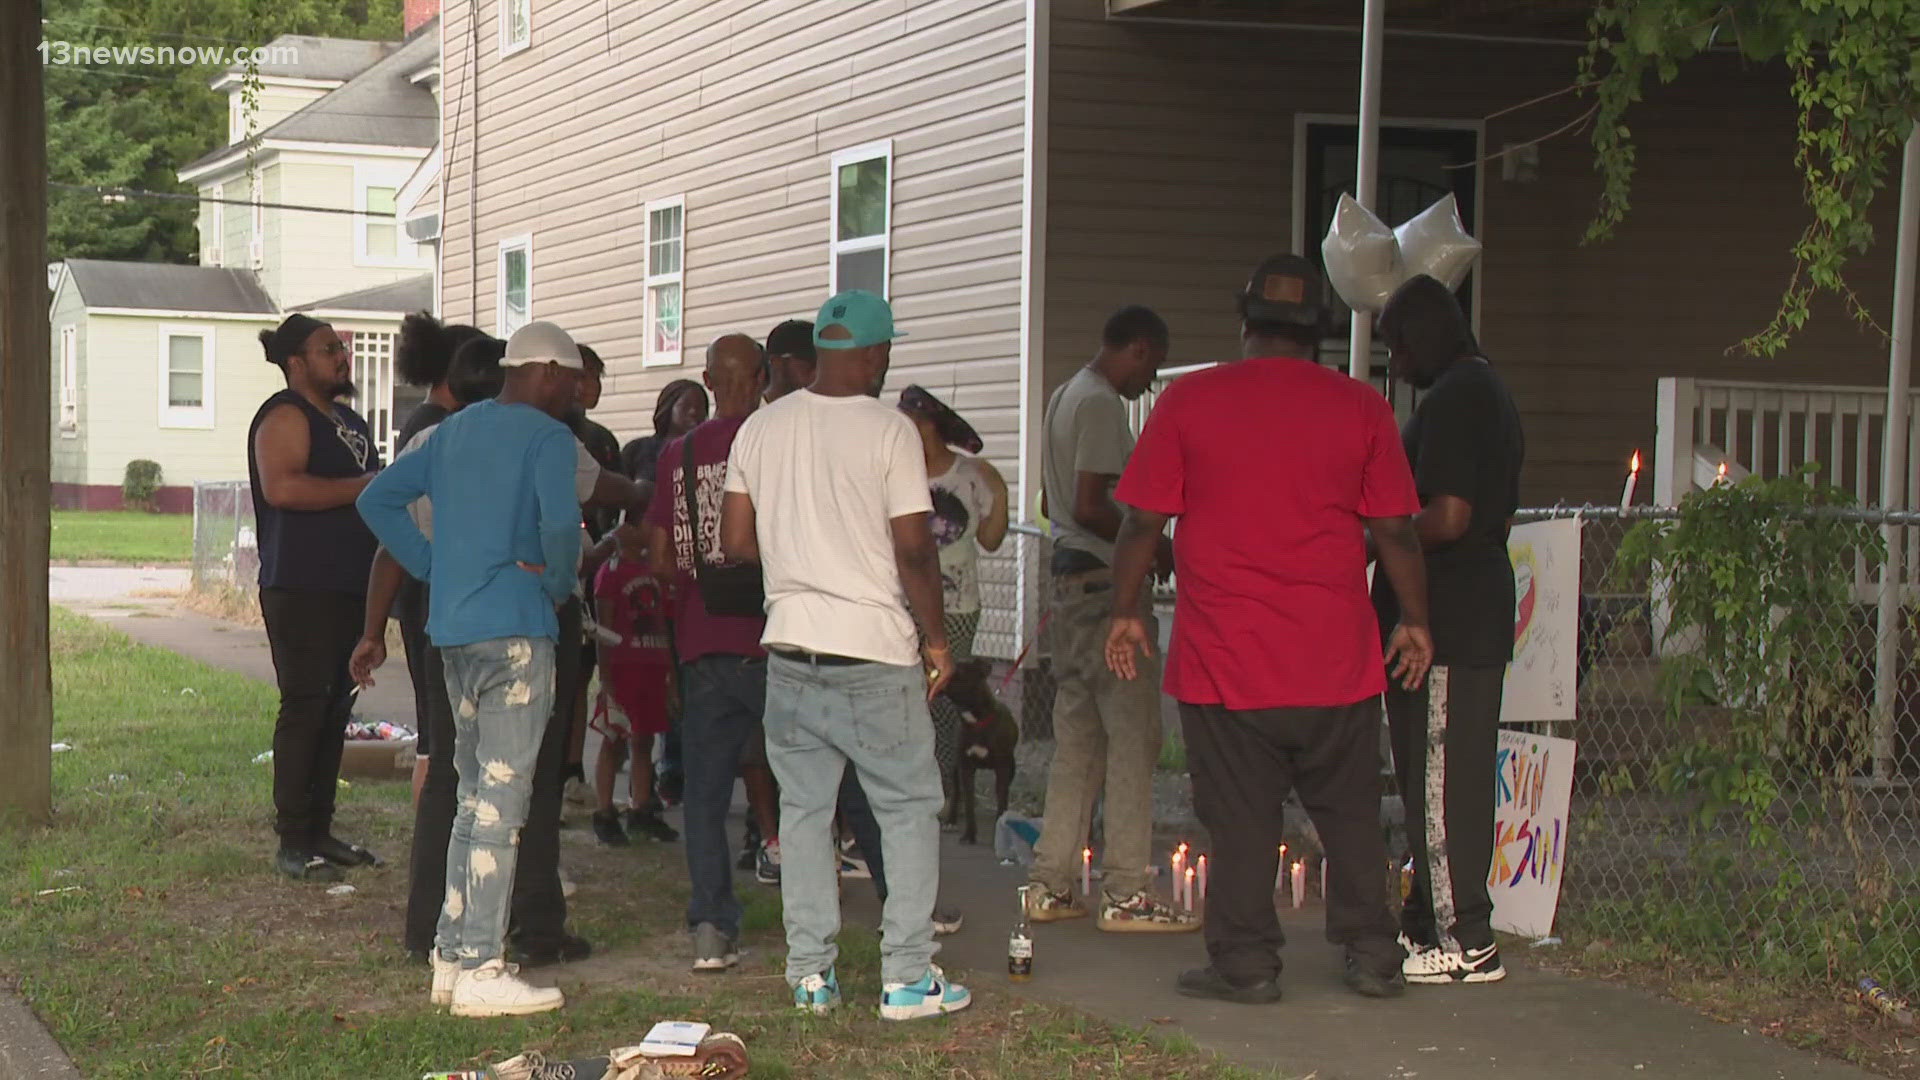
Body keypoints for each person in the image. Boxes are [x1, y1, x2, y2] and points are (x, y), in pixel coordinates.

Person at [1102, 253, 1435, 1004]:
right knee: (1350, 816)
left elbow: (1139, 524)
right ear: (1320, 330)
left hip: (1228, 661)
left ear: (1244, 320)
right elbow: (1397, 533)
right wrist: (1415, 620)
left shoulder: (1190, 404)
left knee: (1242, 819)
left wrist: (1125, 611)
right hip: (1337, 660)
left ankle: (1246, 964)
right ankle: (1374, 952)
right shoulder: (1362, 409)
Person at [720, 291, 971, 1021]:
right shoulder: (888, 430)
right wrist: (935, 640)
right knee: (907, 811)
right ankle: (906, 978)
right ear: (877, 354)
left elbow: (737, 544)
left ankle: (811, 979)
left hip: (791, 650)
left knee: (803, 815)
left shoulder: (761, 428)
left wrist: (802, 554)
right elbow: (915, 547)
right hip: (873, 654)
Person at [357, 336, 635, 965]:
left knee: (462, 792)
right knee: (509, 801)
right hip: (518, 628)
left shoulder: (446, 435)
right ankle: (487, 958)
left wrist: (433, 565)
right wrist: (561, 585)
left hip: (450, 632)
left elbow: (376, 501)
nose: (576, 392)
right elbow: (564, 527)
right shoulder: (547, 440)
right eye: (572, 379)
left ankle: (445, 949)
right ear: (545, 373)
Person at [1372, 274, 1525, 987]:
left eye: (1398, 348)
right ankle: (1430, 924)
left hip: (1454, 619)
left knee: (1441, 780)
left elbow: (1451, 515)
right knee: (1427, 777)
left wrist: (1377, 539)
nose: (1397, 367)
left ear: (1426, 335)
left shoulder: (1463, 393)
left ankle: (1469, 939)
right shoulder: (1476, 390)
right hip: (1455, 614)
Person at [1024, 304, 1195, 932]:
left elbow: (1053, 498)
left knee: (1078, 742)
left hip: (1070, 590)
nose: (1145, 388)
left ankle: (1051, 882)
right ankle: (1126, 888)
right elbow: (1095, 503)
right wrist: (1152, 544)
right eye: (1148, 372)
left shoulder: (1064, 395)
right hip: (1104, 590)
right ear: (1140, 349)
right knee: (1132, 738)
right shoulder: (1099, 404)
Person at [644, 334, 782, 970]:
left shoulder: (680, 451)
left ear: (706, 378)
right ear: (761, 378)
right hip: (779, 634)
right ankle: (822, 914)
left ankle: (711, 926)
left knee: (703, 791)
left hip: (702, 638)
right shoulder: (780, 438)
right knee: (810, 780)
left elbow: (663, 559)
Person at [247, 312, 383, 882]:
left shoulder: (349, 418)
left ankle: (321, 828)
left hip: (352, 584)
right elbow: (282, 487)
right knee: (305, 706)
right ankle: (292, 837)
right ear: (296, 362)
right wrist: (365, 486)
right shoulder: (285, 415)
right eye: (329, 349)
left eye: (342, 347)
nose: (343, 356)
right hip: (300, 585)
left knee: (337, 710)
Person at [896, 385, 1009, 805]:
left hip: (956, 604)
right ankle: (903, 785)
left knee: (941, 698)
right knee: (899, 694)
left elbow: (993, 539)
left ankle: (941, 789)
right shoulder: (895, 471)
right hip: (899, 600)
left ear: (930, 425)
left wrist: (998, 494)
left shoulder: (969, 475)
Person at [395, 313, 489, 806]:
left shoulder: (428, 422)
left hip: (424, 593)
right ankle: (433, 846)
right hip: (430, 594)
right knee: (438, 733)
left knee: (440, 727)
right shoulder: (438, 430)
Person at [623, 378, 712, 808]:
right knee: (651, 677)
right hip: (642, 578)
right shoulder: (644, 451)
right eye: (688, 405)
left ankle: (680, 765)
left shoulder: (710, 452)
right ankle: (663, 769)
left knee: (685, 677)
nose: (697, 413)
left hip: (689, 582)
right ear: (665, 407)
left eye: (703, 406)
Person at [563, 344, 628, 806]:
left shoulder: (602, 440)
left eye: (597, 377)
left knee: (584, 674)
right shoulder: (551, 434)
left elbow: (619, 498)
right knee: (559, 677)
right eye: (583, 376)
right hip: (562, 570)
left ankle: (573, 768)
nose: (591, 387)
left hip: (600, 574)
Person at [587, 547, 678, 845]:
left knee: (644, 739)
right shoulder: (612, 571)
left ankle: (640, 808)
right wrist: (606, 674)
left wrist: (671, 675)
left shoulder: (656, 569)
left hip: (653, 663)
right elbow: (604, 624)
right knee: (615, 737)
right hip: (624, 666)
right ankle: (604, 811)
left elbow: (664, 622)